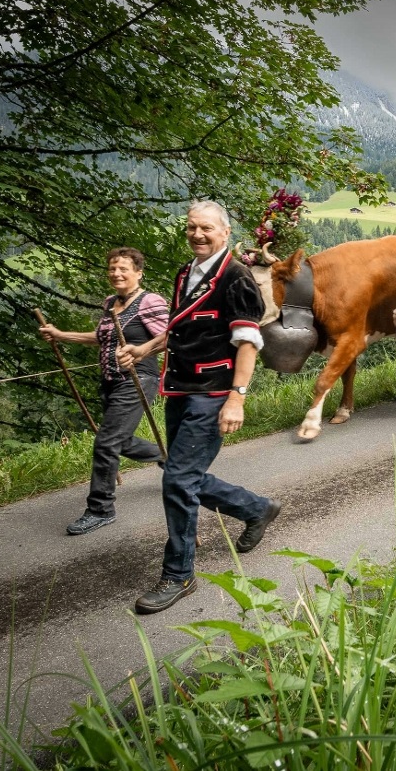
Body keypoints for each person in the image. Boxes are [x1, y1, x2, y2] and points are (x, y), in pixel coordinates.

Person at [118, 200, 281, 614]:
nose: (197, 234)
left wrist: (236, 399)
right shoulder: (185, 273)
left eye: (206, 228)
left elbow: (247, 343)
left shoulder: (237, 279)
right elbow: (177, 327)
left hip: (213, 392)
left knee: (177, 480)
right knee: (183, 476)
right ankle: (256, 508)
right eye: (192, 227)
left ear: (225, 232)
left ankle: (179, 574)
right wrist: (144, 348)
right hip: (179, 388)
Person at [39, 248, 169, 535]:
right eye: (112, 269)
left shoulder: (150, 302)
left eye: (123, 268)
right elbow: (99, 338)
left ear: (138, 272)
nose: (116, 274)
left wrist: (141, 351)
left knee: (106, 442)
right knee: (118, 440)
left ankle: (100, 509)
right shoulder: (110, 303)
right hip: (110, 380)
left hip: (138, 379)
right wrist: (61, 335)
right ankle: (168, 459)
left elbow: (170, 335)